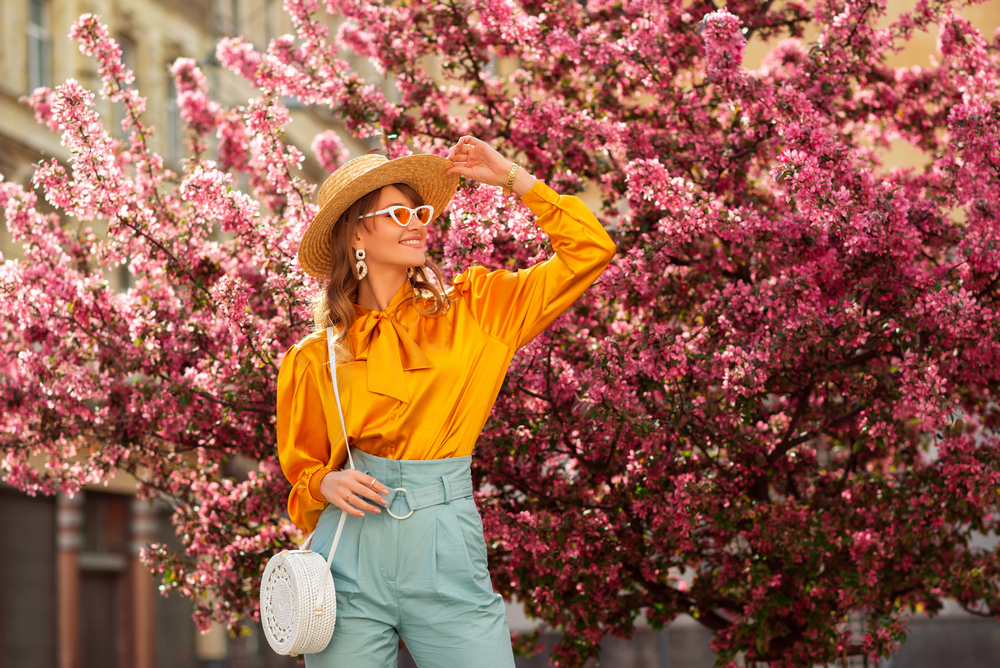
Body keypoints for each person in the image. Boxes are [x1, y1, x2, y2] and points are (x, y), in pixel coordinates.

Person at [276, 135, 616, 668]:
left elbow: (591, 250)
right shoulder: (315, 356)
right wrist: (325, 481)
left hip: (445, 544)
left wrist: (511, 177)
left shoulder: (478, 309)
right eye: (397, 212)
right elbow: (302, 473)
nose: (417, 222)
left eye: (420, 210)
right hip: (348, 558)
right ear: (356, 234)